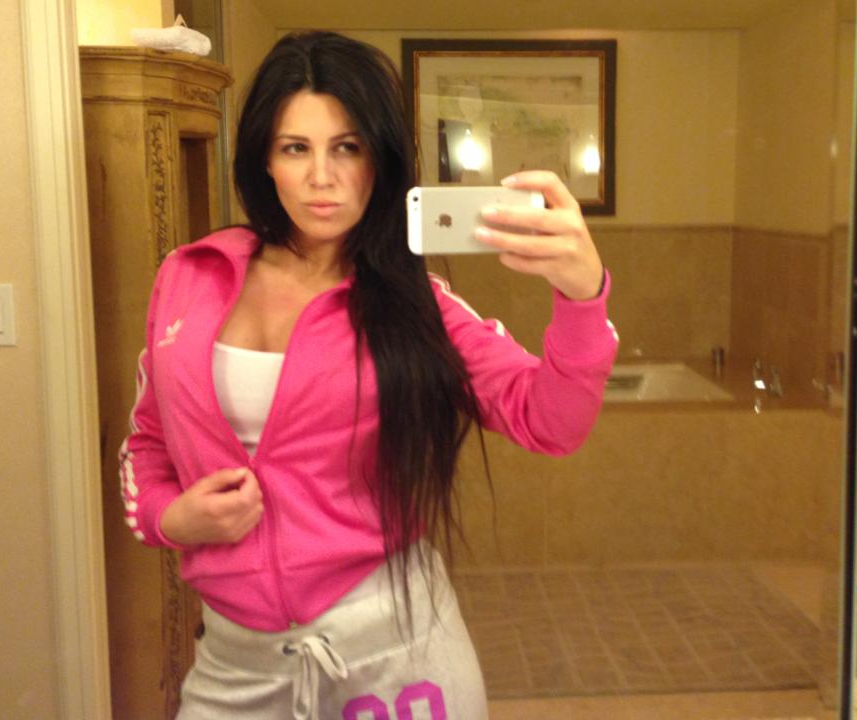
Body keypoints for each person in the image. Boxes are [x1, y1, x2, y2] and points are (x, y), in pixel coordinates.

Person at [119, 30, 618, 720]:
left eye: (347, 148)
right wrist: (171, 516)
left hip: (398, 660)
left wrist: (583, 296)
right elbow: (147, 442)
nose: (321, 177)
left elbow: (551, 422)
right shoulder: (188, 278)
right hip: (236, 665)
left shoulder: (417, 309)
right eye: (296, 148)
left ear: (379, 162)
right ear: (265, 159)